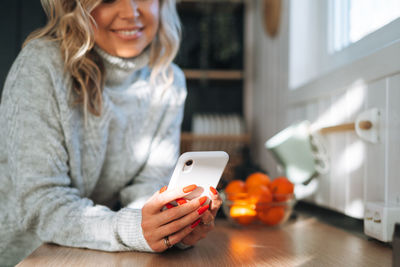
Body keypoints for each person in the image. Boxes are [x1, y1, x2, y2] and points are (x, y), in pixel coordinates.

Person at [0, 0, 222, 265]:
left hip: (104, 255)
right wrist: (132, 229)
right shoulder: (41, 65)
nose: (131, 13)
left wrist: (170, 228)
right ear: (77, 6)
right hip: (26, 256)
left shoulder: (168, 80)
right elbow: (42, 203)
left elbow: (148, 186)